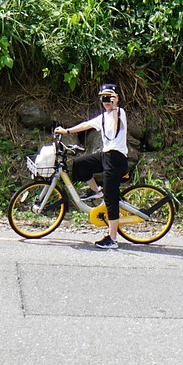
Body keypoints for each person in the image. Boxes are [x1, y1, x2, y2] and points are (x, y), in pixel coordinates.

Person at [54, 83, 128, 250]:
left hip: (116, 158)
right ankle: (96, 191)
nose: (106, 101)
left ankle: (112, 239)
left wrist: (114, 107)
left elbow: (116, 127)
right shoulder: (102, 117)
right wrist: (66, 131)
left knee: (110, 197)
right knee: (80, 164)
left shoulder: (119, 112)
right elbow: (85, 125)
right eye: (103, 98)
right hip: (105, 155)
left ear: (115, 98)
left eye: (109, 97)